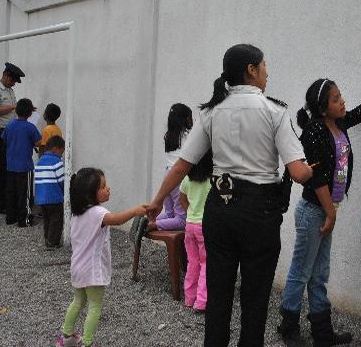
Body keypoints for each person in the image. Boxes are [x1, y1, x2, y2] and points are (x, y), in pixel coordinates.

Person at [146, 44, 314, 346]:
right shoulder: (275, 111)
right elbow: (299, 173)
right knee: (255, 296)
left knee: (219, 294)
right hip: (260, 211)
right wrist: (311, 169)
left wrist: (158, 201)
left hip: (219, 207)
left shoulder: (211, 113)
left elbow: (183, 164)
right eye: (264, 66)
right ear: (251, 70)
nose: (267, 72)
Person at [278, 61, 361, 347]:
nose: (343, 101)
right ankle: (288, 328)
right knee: (301, 271)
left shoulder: (338, 123)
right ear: (323, 108)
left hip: (326, 211)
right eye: (336, 99)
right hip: (314, 211)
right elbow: (317, 179)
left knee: (319, 273)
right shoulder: (314, 131)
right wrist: (330, 213)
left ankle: (322, 334)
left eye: (341, 96)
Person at [56, 167, 146, 347]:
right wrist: (136, 210)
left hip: (78, 267)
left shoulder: (77, 214)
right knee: (95, 306)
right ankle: (88, 343)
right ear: (90, 194)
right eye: (103, 186)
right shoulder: (98, 213)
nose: (108, 189)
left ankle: (66, 337)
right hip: (93, 269)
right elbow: (117, 219)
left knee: (78, 301)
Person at [132, 103, 192, 243]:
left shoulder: (169, 136)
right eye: (191, 117)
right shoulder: (188, 136)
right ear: (186, 118)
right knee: (182, 220)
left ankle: (144, 222)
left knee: (170, 213)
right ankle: (152, 225)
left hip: (167, 176)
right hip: (178, 178)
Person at [0, 62, 24, 214]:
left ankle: (10, 201)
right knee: (1, 168)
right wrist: (14, 107)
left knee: (10, 168)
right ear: (6, 75)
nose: (14, 83)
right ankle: (0, 204)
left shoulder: (9, 91)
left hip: (11, 132)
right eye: (13, 80)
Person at [179, 149, 213, 313]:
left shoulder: (187, 179)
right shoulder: (211, 181)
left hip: (189, 225)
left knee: (192, 262)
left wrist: (190, 212)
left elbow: (182, 199)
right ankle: (201, 301)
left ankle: (189, 298)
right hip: (205, 226)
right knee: (206, 263)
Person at [1, 98, 41, 227]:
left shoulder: (10, 125)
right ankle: (24, 219)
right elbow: (38, 142)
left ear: (16, 110)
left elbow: (4, 139)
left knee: (11, 192)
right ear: (30, 113)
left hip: (10, 165)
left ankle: (10, 217)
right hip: (25, 166)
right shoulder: (30, 127)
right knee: (26, 194)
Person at [35, 135, 65, 249]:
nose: (61, 155)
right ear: (55, 149)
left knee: (47, 219)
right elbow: (62, 180)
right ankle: (53, 242)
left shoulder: (40, 161)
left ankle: (47, 239)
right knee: (56, 220)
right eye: (61, 152)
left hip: (41, 197)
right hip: (54, 196)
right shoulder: (57, 162)